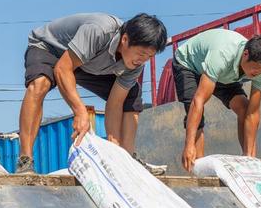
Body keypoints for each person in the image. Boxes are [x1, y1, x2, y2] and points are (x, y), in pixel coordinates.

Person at [17, 12, 167, 174]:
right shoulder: (99, 30)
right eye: (141, 54)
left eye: (149, 57)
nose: (142, 60)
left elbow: (115, 102)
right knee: (40, 83)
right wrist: (80, 112)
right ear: (125, 40)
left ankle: (127, 159)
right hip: (51, 48)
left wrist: (113, 147)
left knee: (132, 94)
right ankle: (25, 159)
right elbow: (62, 69)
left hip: (85, 62)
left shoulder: (135, 65)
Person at [172, 29, 261, 172]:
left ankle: (247, 159)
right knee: (198, 111)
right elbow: (198, 101)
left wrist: (250, 157)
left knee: (244, 107)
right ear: (246, 54)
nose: (258, 73)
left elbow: (253, 113)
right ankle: (198, 169)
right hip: (189, 64)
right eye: (256, 68)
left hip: (223, 74)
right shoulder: (223, 54)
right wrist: (189, 144)